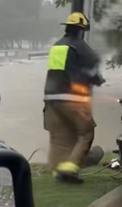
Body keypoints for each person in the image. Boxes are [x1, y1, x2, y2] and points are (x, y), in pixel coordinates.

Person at [43, 12, 106, 184]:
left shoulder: (56, 46)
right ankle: (70, 169)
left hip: (50, 99)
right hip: (73, 99)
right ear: (82, 31)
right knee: (86, 133)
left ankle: (57, 169)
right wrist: (98, 80)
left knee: (58, 137)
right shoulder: (82, 48)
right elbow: (93, 72)